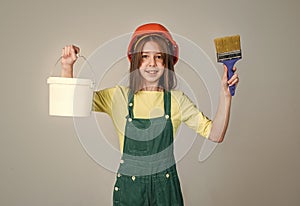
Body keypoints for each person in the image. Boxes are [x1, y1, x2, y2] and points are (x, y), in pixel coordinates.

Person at [60, 23, 239, 206]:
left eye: (158, 57)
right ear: (135, 61)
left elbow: (216, 135)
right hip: (131, 192)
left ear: (167, 62)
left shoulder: (177, 101)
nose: (152, 63)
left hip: (166, 193)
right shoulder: (118, 96)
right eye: (145, 57)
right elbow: (73, 103)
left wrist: (225, 96)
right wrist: (67, 67)